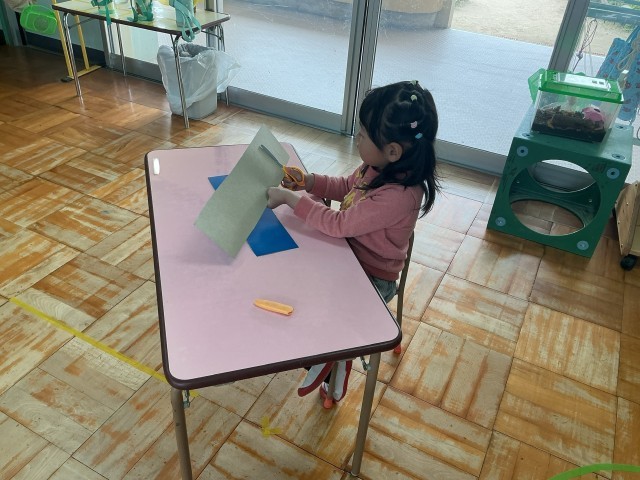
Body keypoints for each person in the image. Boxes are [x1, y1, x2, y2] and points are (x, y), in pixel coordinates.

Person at [267, 80, 440, 406]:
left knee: (322, 308)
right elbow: (347, 186)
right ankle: (332, 353)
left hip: (372, 277)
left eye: (362, 135)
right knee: (301, 275)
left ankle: (336, 359)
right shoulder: (378, 166)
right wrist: (309, 182)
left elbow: (339, 224)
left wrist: (292, 200)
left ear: (393, 150)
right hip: (348, 255)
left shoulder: (398, 195)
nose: (357, 139)